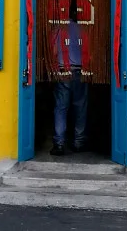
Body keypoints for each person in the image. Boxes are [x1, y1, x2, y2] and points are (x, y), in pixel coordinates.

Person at [50, 15, 89, 156]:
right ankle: (79, 142)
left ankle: (59, 144)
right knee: (80, 107)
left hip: (63, 71)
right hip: (80, 71)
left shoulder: (58, 28)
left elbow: (53, 51)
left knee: (61, 107)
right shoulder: (85, 28)